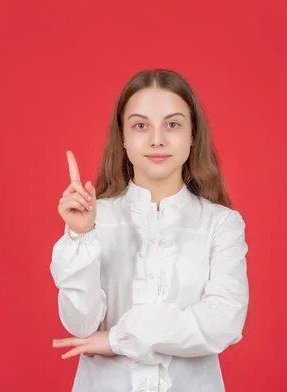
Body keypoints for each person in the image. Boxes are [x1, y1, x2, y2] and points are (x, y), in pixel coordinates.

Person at [50, 69, 249, 392]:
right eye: (141, 125)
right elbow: (80, 324)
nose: (157, 139)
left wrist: (116, 339)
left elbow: (222, 323)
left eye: (172, 124)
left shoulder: (221, 224)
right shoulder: (94, 217)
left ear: (192, 135)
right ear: (123, 137)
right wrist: (81, 236)